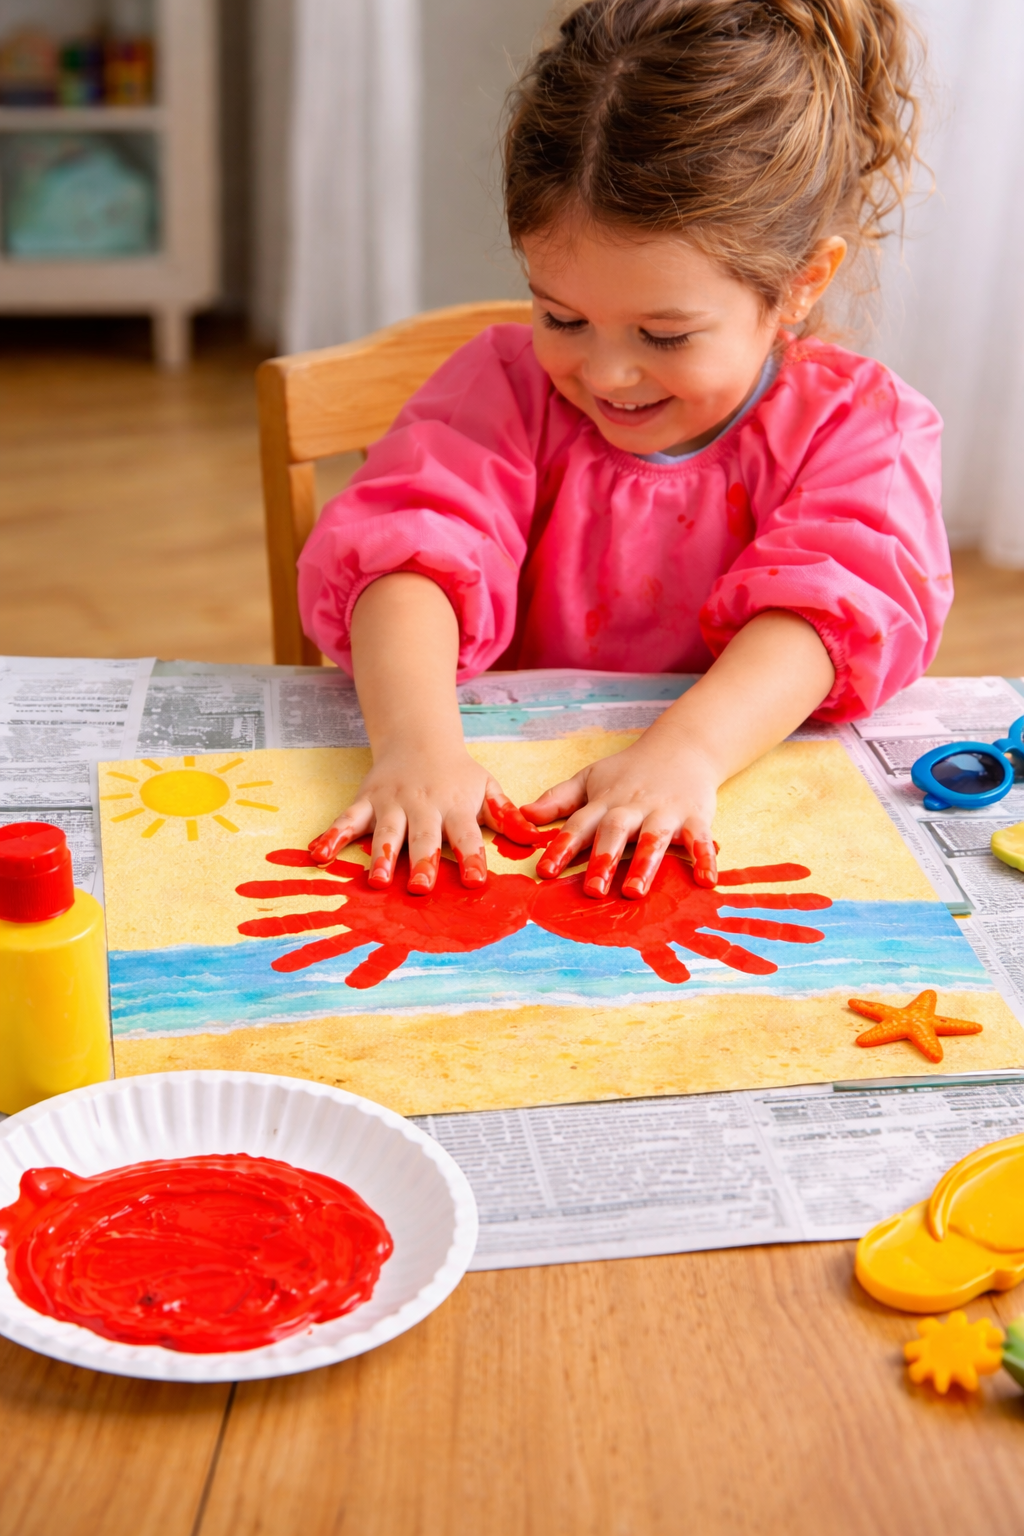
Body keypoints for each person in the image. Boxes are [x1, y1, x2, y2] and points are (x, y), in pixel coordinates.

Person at [299, 0, 949, 901]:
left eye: (665, 334)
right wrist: (418, 749)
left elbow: (830, 611)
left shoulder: (859, 428)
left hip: (724, 798)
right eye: (561, 316)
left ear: (801, 284)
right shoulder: (505, 387)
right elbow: (410, 555)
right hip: (527, 811)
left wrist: (685, 754)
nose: (606, 373)